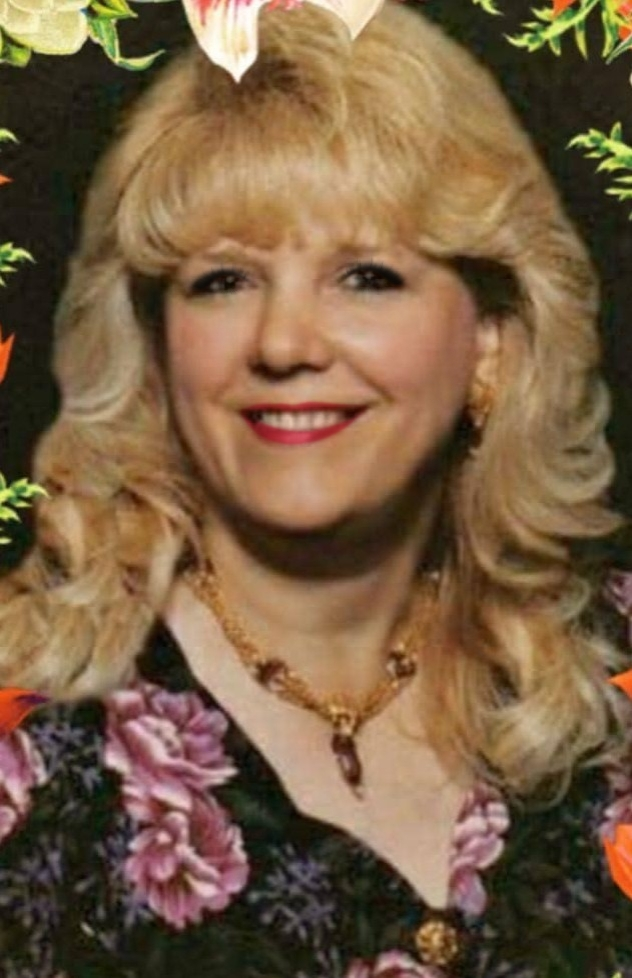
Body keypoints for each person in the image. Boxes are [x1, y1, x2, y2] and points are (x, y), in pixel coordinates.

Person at [1, 2, 631, 976]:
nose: (285, 344)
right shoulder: (37, 737)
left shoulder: (611, 670)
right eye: (223, 281)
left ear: (489, 344)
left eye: (366, 275)